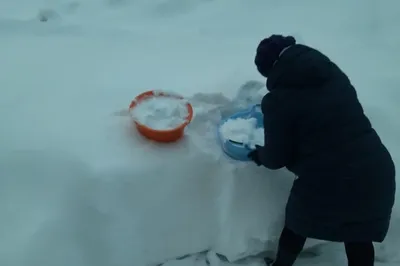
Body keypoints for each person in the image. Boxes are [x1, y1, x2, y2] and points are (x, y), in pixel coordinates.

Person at [248, 35, 396, 266]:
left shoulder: (278, 101)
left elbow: (276, 158)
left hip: (330, 180)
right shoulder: (332, 75)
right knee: (358, 234)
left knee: (297, 225)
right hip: (376, 168)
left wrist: (259, 155)